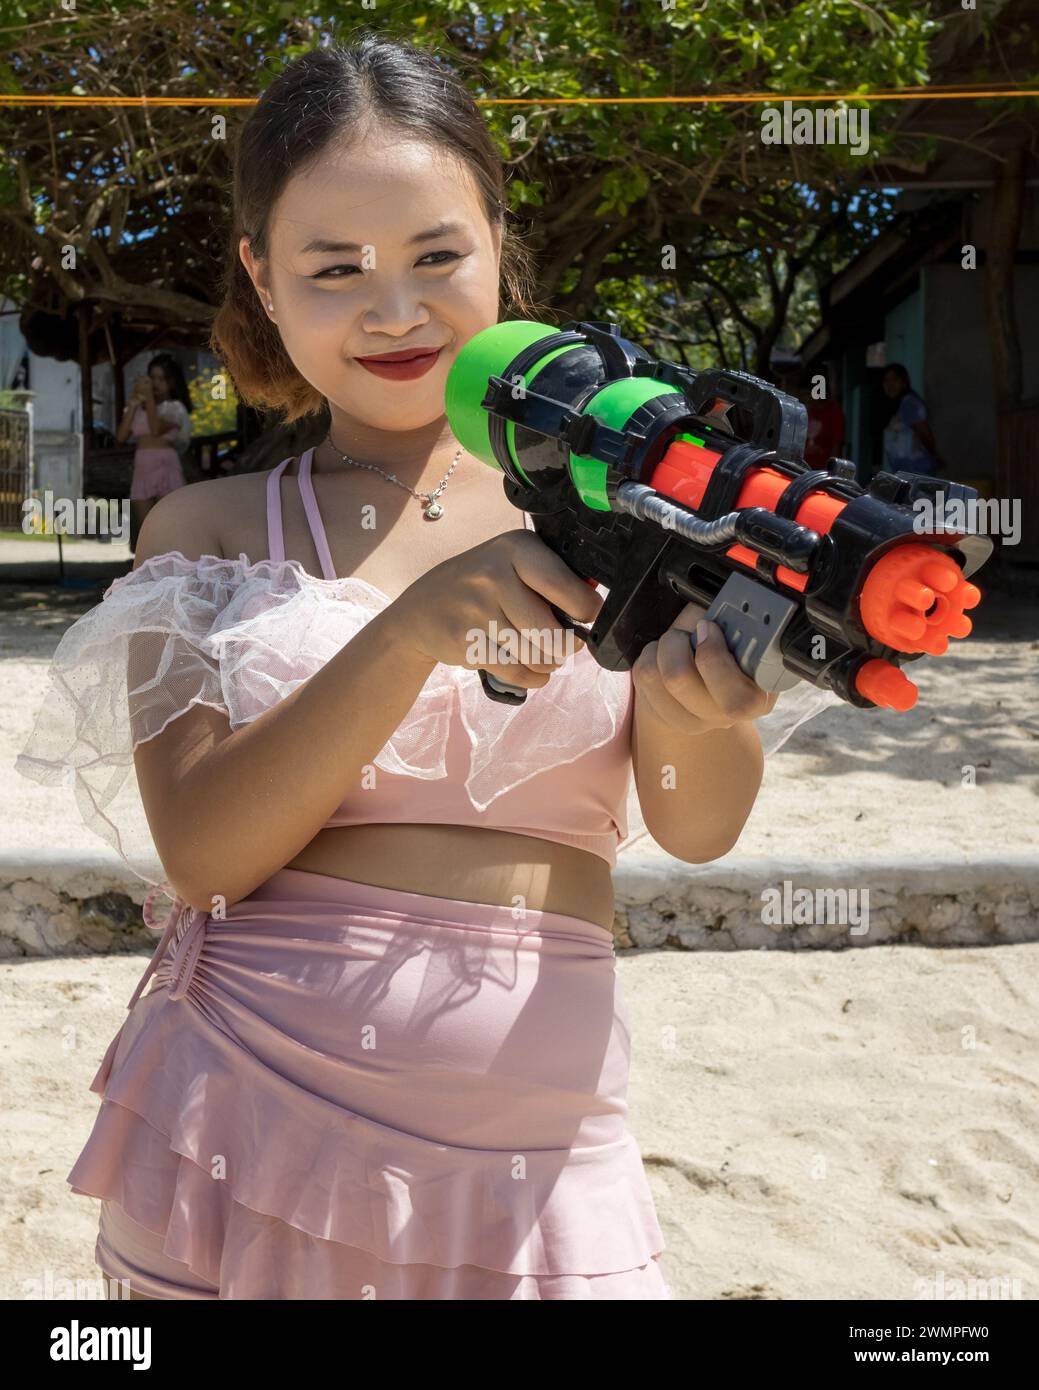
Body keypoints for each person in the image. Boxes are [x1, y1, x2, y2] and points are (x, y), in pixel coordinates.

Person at [16, 36, 837, 1302]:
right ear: (261, 276)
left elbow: (692, 824)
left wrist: (699, 712)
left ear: (499, 242)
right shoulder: (212, 529)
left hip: (542, 1167)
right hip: (244, 1124)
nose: (392, 308)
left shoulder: (628, 509)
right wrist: (406, 634)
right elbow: (204, 851)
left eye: (435, 257)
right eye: (333, 268)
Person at [115, 353, 193, 552]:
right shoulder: (140, 408)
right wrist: (133, 404)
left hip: (165, 466)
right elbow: (121, 437)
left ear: (172, 382)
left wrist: (148, 397)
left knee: (170, 526)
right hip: (143, 468)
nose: (156, 384)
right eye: (153, 378)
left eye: (161, 379)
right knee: (146, 530)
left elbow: (156, 428)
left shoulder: (175, 408)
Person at [881, 363, 944, 476]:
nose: (890, 385)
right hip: (905, 473)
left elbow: (923, 432)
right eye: (886, 380)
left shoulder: (909, 403)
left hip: (917, 472)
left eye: (895, 379)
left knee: (937, 493)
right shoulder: (894, 407)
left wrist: (935, 456)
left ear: (904, 382)